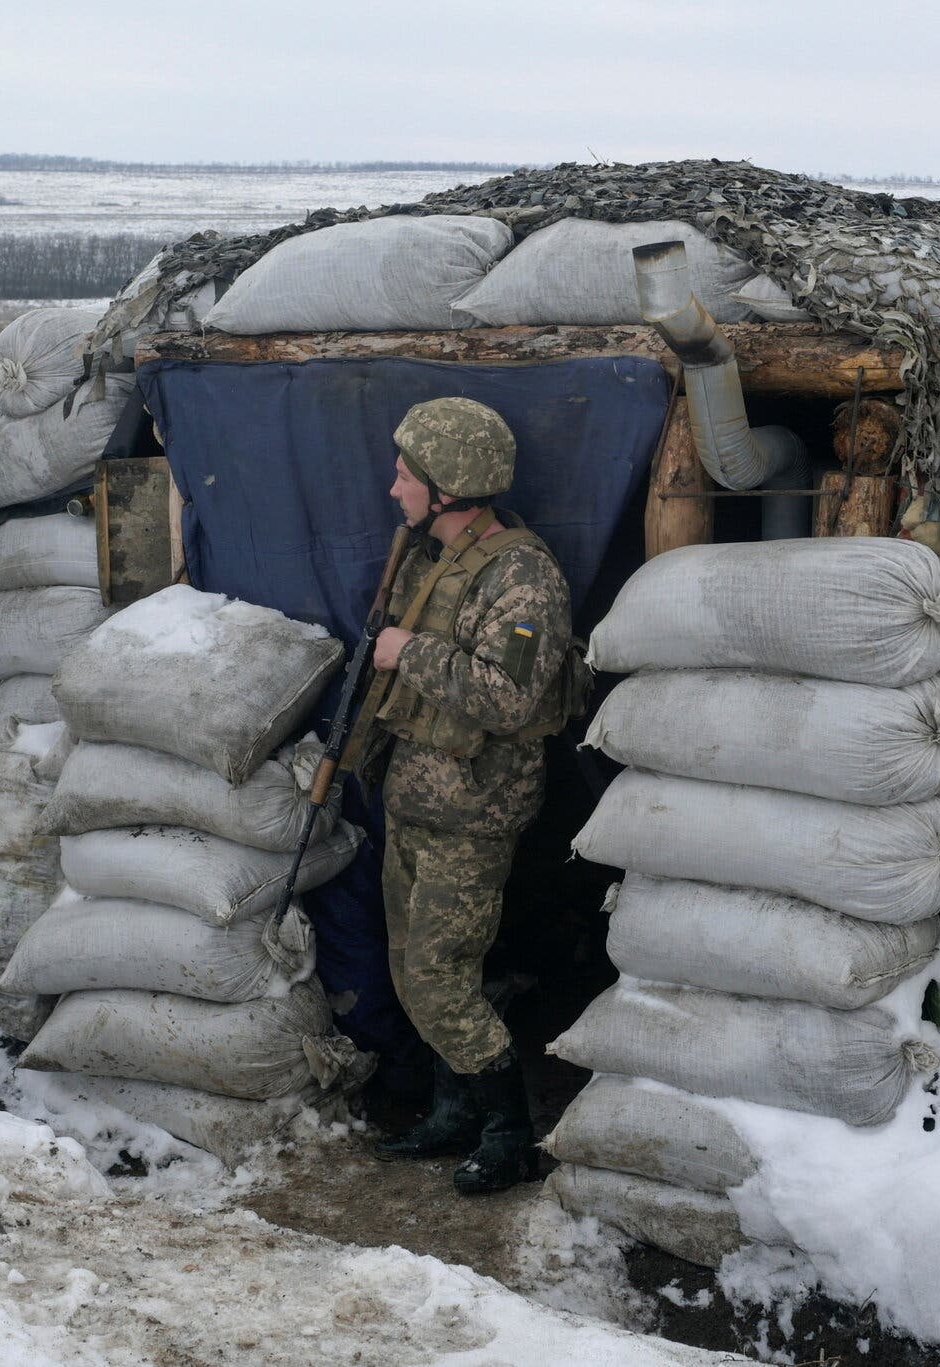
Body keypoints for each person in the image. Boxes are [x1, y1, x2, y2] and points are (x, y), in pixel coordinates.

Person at [363, 396, 583, 1194]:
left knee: (439, 977)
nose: (394, 489)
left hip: (472, 813)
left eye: (406, 474)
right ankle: (453, 1115)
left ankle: (509, 1128)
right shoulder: (430, 559)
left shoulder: (524, 576)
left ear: (449, 484)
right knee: (408, 968)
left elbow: (509, 701)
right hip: (413, 799)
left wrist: (408, 652)